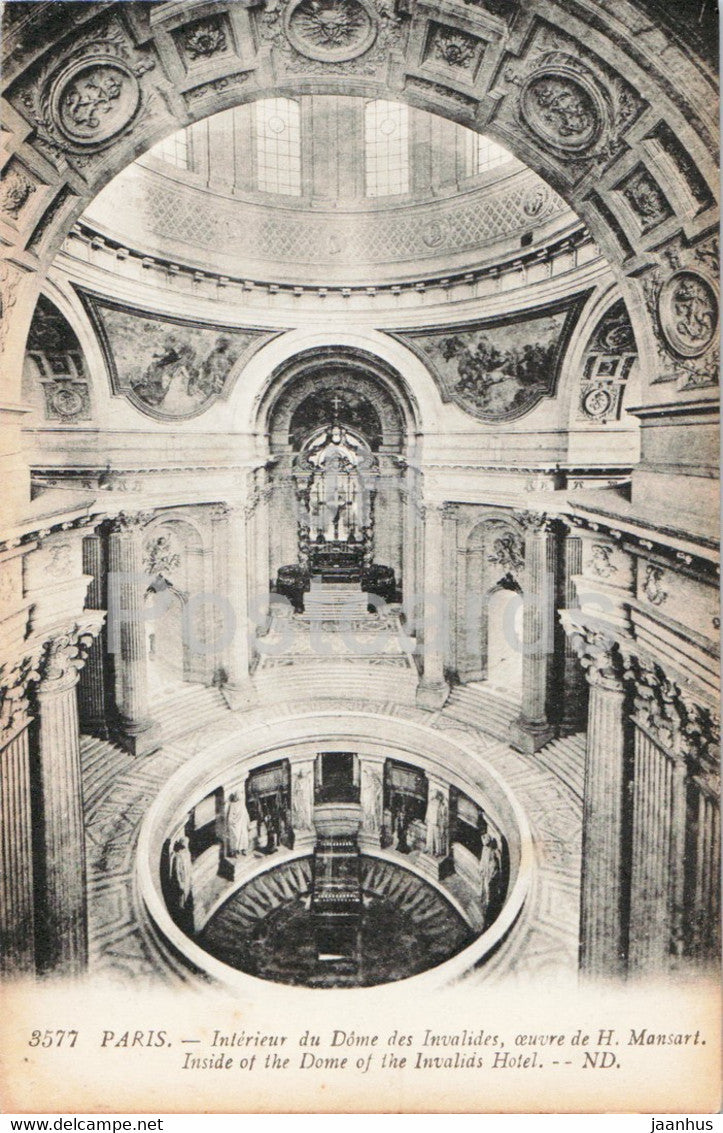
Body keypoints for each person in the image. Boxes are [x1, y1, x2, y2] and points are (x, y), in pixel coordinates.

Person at [479, 833, 501, 927]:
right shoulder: (485, 849)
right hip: (486, 872)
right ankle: (486, 901)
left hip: (490, 873)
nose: (485, 845)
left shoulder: (494, 851)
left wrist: (492, 873)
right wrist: (481, 868)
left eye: (486, 843)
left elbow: (496, 865)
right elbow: (483, 860)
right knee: (485, 887)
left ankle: (488, 903)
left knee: (489, 889)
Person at [224, 791, 249, 858]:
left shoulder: (241, 804)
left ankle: (243, 850)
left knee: (244, 836)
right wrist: (232, 823)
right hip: (236, 825)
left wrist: (247, 821)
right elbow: (230, 817)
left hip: (242, 823)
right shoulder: (232, 805)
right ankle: (234, 852)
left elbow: (245, 813)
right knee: (236, 838)